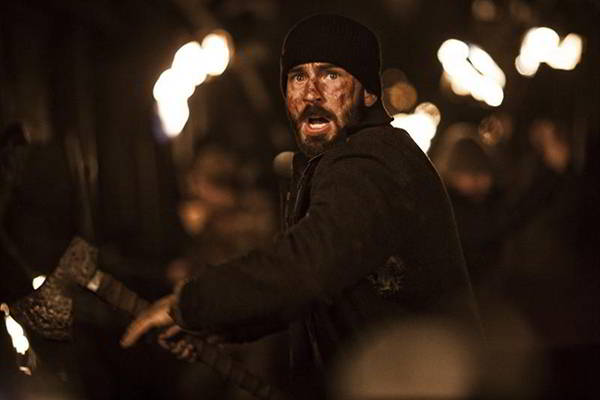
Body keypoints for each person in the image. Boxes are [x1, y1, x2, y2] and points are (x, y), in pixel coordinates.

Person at [121, 14, 479, 397]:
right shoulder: (337, 163)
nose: (311, 94)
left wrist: (192, 305)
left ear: (369, 94)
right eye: (297, 77)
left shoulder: (370, 161)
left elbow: (310, 263)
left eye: (330, 75)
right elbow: (315, 292)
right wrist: (215, 326)